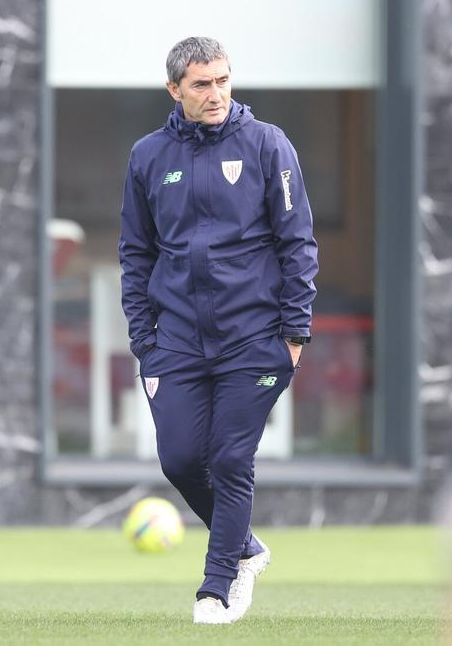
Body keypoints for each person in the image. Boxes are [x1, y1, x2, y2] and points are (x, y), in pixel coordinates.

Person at [118, 36, 318, 624]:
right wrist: (144, 338)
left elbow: (298, 242)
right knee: (180, 459)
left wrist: (294, 332)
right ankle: (247, 547)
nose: (216, 94)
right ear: (175, 89)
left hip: (254, 337)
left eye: (224, 80)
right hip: (175, 340)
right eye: (202, 84)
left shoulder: (266, 145)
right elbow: (136, 253)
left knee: (231, 459)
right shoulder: (147, 156)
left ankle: (218, 586)